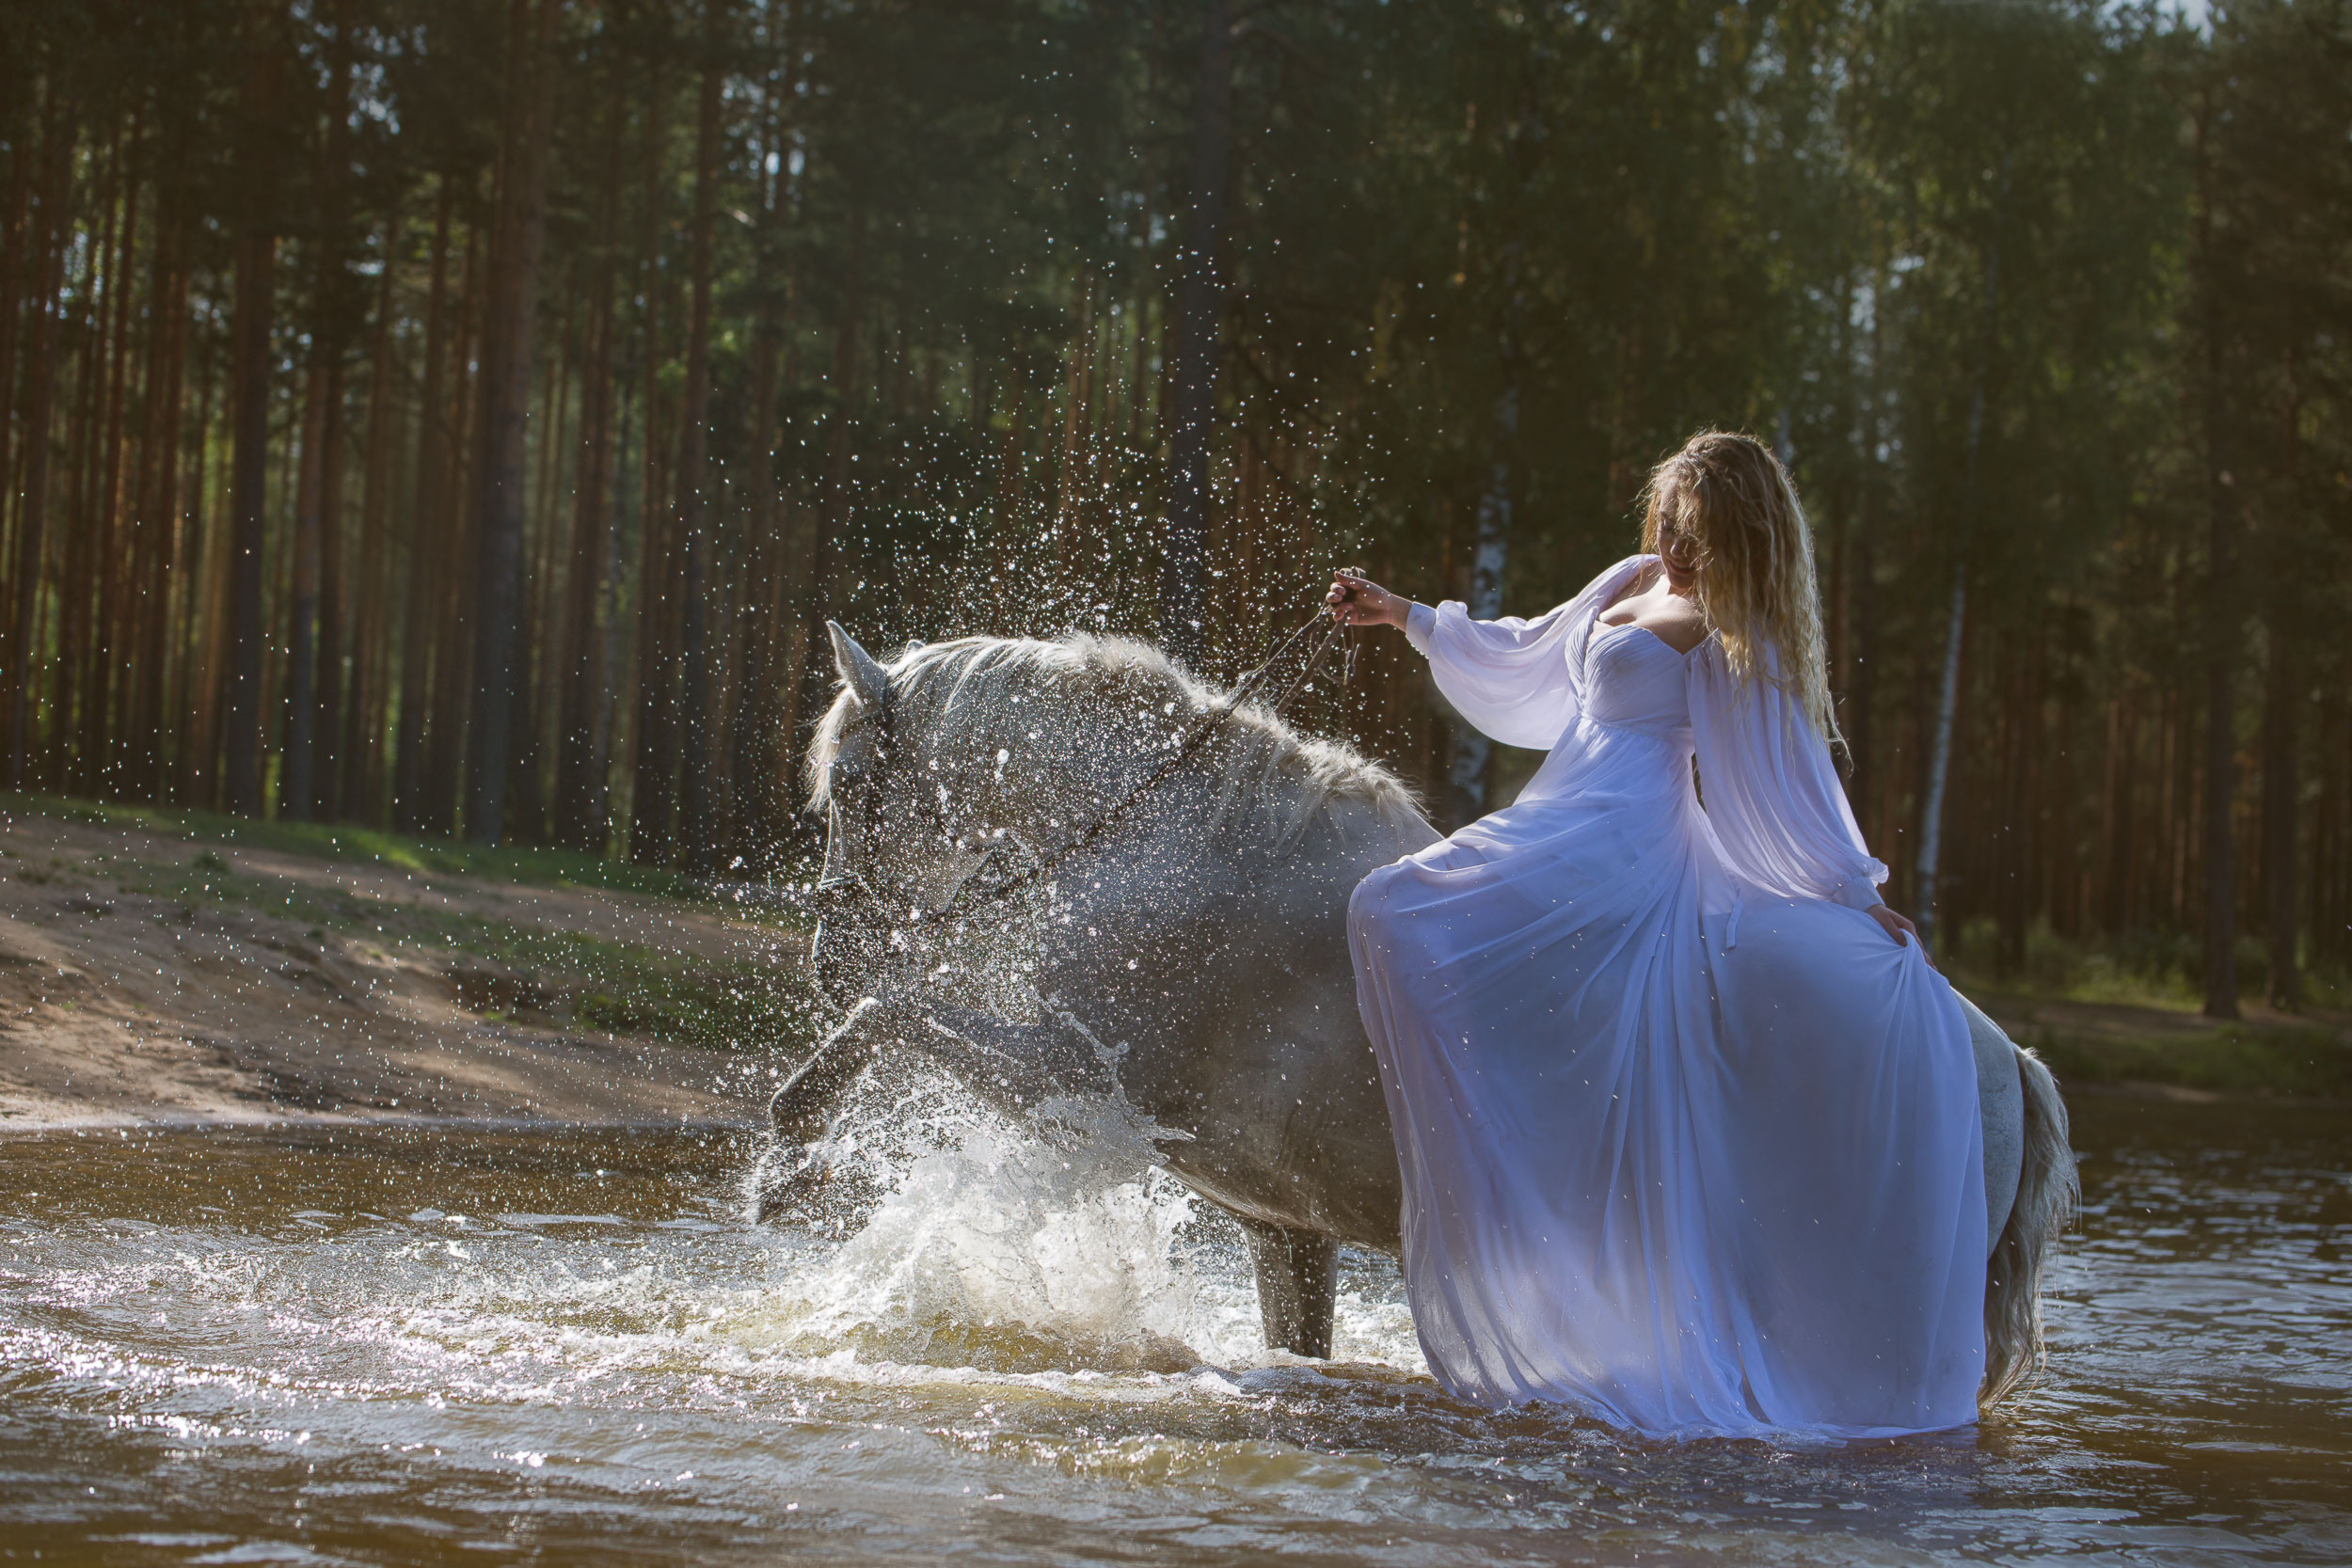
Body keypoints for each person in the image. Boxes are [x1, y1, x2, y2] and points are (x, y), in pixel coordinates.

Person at [1328, 430, 1986, 1441]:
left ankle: (1517, 1201)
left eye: (1697, 533)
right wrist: (1402, 612)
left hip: (1624, 843)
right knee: (1388, 910)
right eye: (1669, 523)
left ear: (1741, 536)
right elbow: (1528, 650)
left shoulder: (1735, 636)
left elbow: (1788, 772)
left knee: (1393, 909)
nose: (1675, 547)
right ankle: (1505, 1187)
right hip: (1562, 812)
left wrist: (1855, 895)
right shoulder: (1631, 578)